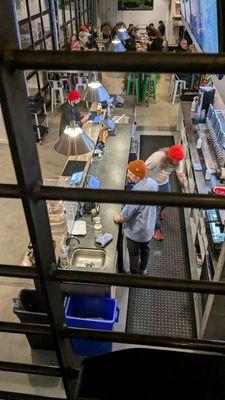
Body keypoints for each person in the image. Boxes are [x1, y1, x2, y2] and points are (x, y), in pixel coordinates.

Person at [113, 160, 158, 275]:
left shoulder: (137, 194)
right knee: (145, 249)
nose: (127, 175)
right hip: (148, 228)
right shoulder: (152, 183)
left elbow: (126, 216)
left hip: (136, 232)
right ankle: (143, 269)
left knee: (133, 254)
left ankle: (135, 274)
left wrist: (118, 217)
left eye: (130, 173)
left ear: (137, 176)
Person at [145, 144, 188, 241]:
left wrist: (186, 189)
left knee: (165, 202)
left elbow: (180, 175)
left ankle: (160, 210)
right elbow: (144, 167)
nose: (178, 162)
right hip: (151, 183)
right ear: (170, 157)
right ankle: (156, 230)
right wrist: (144, 184)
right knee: (154, 209)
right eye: (176, 160)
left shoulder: (179, 160)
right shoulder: (157, 158)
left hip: (164, 182)